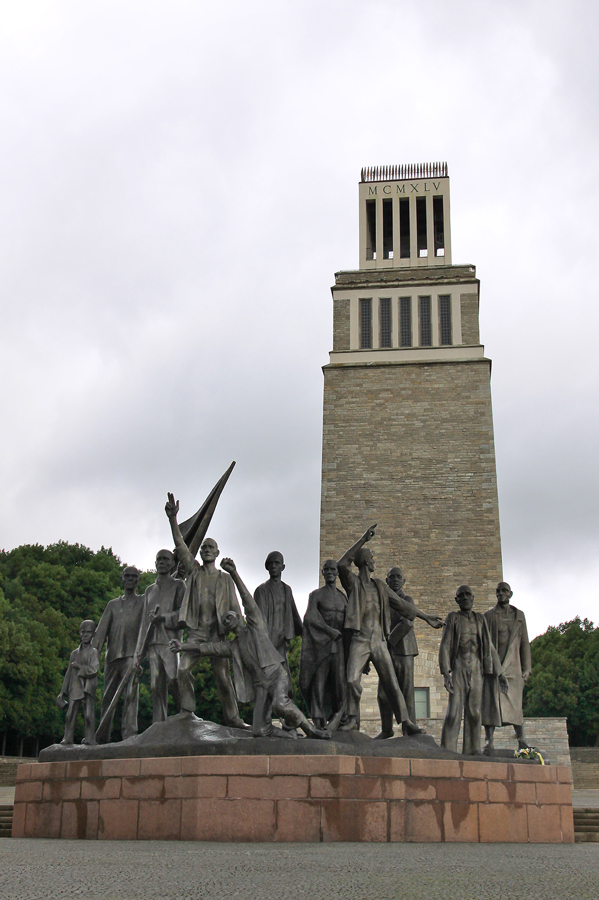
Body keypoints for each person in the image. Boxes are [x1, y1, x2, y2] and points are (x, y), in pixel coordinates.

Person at [169, 558, 331, 740]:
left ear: (239, 617)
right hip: (261, 684)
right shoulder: (233, 646)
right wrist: (182, 645)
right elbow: (206, 647)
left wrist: (234, 573)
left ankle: (311, 730)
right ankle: (290, 737)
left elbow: (247, 599)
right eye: (225, 621)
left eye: (230, 616)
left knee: (280, 704)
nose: (227, 620)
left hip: (276, 675)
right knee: (259, 730)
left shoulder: (256, 626)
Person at [337, 525, 444, 734]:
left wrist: (427, 617)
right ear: (367, 562)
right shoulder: (353, 583)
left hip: (378, 640)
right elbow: (343, 563)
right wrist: (362, 539)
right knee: (351, 679)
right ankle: (351, 718)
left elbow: (404, 607)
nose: (375, 561)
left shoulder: (380, 586)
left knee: (391, 683)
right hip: (360, 639)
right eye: (372, 558)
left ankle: (406, 722)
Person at [165, 493, 248, 729]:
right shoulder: (194, 572)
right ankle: (187, 710)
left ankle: (233, 718)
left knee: (222, 677)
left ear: (218, 553)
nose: (207, 550)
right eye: (204, 548)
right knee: (182, 670)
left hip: (217, 634)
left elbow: (235, 608)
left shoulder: (225, 579)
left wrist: (236, 628)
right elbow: (181, 547)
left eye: (211, 547)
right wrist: (173, 519)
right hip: (196, 632)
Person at [439, 584, 507, 755]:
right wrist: (446, 673)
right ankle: (447, 751)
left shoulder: (480, 619)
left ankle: (472, 750)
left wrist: (500, 673)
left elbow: (490, 647)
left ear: (473, 598)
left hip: (477, 670)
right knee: (453, 713)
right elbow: (445, 646)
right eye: (461, 595)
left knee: (475, 712)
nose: (465, 597)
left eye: (468, 594)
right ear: (456, 600)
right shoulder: (453, 618)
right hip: (459, 669)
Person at [93, 566, 145, 742]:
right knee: (107, 698)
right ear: (122, 579)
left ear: (138, 580)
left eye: (134, 576)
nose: (130, 579)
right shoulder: (113, 605)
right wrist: (92, 659)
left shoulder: (144, 602)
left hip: (132, 657)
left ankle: (129, 736)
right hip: (112, 657)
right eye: (127, 576)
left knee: (131, 696)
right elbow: (99, 635)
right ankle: (102, 737)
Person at [134, 549, 185, 723]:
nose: (162, 562)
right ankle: (159, 722)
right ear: (155, 564)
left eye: (166, 559)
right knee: (156, 685)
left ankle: (184, 714)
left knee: (173, 679)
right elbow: (143, 623)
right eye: (159, 559)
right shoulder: (149, 590)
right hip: (152, 642)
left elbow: (184, 615)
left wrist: (163, 617)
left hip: (169, 641)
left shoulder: (179, 585)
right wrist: (139, 651)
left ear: (173, 564)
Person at [482, 582, 532, 751]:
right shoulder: (488, 616)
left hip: (514, 667)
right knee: (491, 704)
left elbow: (524, 642)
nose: (501, 593)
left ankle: (522, 739)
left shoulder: (519, 616)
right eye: (498, 591)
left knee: (516, 705)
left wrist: (527, 668)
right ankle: (489, 741)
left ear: (510, 594)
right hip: (494, 668)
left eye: (504, 591)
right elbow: (485, 644)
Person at [299, 559, 348, 730]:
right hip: (321, 645)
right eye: (326, 569)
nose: (329, 572)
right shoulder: (316, 595)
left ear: (337, 572)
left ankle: (340, 720)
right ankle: (319, 721)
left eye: (332, 569)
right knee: (318, 683)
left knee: (340, 682)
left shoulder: (343, 598)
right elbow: (310, 617)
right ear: (322, 573)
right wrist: (329, 631)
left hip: (339, 646)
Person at [375, 566, 419, 738]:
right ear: (386, 581)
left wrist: (389, 642)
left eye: (398, 576)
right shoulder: (382, 601)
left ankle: (409, 730)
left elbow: (408, 622)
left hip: (404, 651)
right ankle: (387, 729)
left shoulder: (407, 599)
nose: (394, 579)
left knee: (406, 691)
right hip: (387, 652)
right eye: (391, 576)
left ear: (403, 581)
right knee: (383, 694)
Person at [254, 551, 303, 689]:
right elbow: (257, 620)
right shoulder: (261, 590)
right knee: (268, 683)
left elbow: (294, 614)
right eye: (271, 563)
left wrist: (306, 633)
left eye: (277, 563)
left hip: (282, 641)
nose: (274, 566)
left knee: (285, 685)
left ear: (283, 567)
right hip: (267, 642)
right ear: (267, 567)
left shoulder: (287, 589)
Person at [57, 619, 100, 745]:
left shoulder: (94, 652)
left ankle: (90, 738)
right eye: (83, 632)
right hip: (75, 686)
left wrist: (79, 667)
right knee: (70, 714)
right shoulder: (74, 653)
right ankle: (68, 737)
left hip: (88, 686)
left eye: (88, 632)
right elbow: (68, 674)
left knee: (88, 715)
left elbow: (94, 669)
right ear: (79, 633)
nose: (85, 635)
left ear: (93, 634)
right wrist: (62, 692)